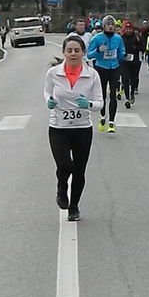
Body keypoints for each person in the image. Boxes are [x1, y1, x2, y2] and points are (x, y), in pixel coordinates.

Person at [44, 36, 104, 221]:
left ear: (83, 53)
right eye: (69, 50)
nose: (73, 54)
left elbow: (100, 103)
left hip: (82, 129)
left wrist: (88, 104)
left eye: (77, 50)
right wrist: (49, 101)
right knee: (64, 165)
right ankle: (62, 188)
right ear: (63, 53)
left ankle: (74, 206)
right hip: (58, 127)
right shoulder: (53, 73)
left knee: (79, 170)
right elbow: (47, 92)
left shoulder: (92, 74)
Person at [87, 15, 126, 133]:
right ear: (104, 26)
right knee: (102, 94)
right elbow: (89, 55)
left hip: (114, 68)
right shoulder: (97, 38)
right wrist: (98, 51)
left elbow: (121, 51)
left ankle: (111, 122)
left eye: (112, 25)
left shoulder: (118, 38)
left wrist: (123, 55)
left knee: (113, 94)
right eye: (108, 25)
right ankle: (103, 116)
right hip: (101, 68)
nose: (110, 27)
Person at [121, 22, 142, 108]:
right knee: (125, 79)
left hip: (135, 61)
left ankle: (132, 92)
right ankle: (127, 98)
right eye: (127, 29)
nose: (128, 30)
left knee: (133, 78)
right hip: (125, 61)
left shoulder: (137, 37)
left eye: (130, 29)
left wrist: (136, 48)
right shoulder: (121, 38)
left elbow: (142, 48)